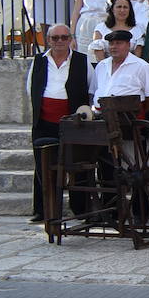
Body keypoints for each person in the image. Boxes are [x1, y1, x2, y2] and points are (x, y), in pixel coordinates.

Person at [26, 24, 90, 221]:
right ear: (48, 40)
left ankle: (81, 209)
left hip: (72, 123)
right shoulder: (39, 61)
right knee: (43, 166)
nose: (60, 41)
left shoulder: (82, 61)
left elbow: (91, 88)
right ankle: (43, 210)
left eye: (64, 37)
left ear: (70, 39)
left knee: (78, 165)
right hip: (44, 122)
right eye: (55, 38)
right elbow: (31, 88)